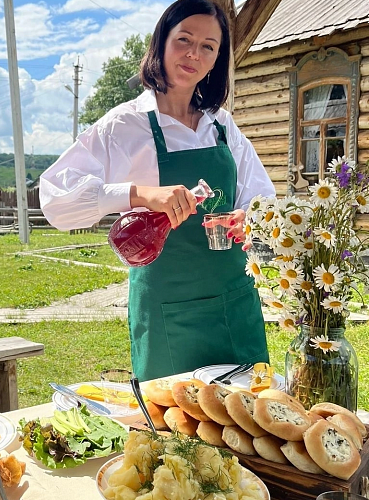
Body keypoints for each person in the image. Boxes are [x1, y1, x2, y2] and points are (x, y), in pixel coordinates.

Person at [39, 0, 276, 381]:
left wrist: (249, 216)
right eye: (184, 39)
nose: (193, 54)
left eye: (208, 47)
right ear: (161, 44)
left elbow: (263, 198)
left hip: (234, 301)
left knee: (246, 421)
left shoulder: (222, 126)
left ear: (217, 60)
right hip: (167, 308)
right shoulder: (125, 125)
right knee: (173, 433)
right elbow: (54, 199)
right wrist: (140, 195)